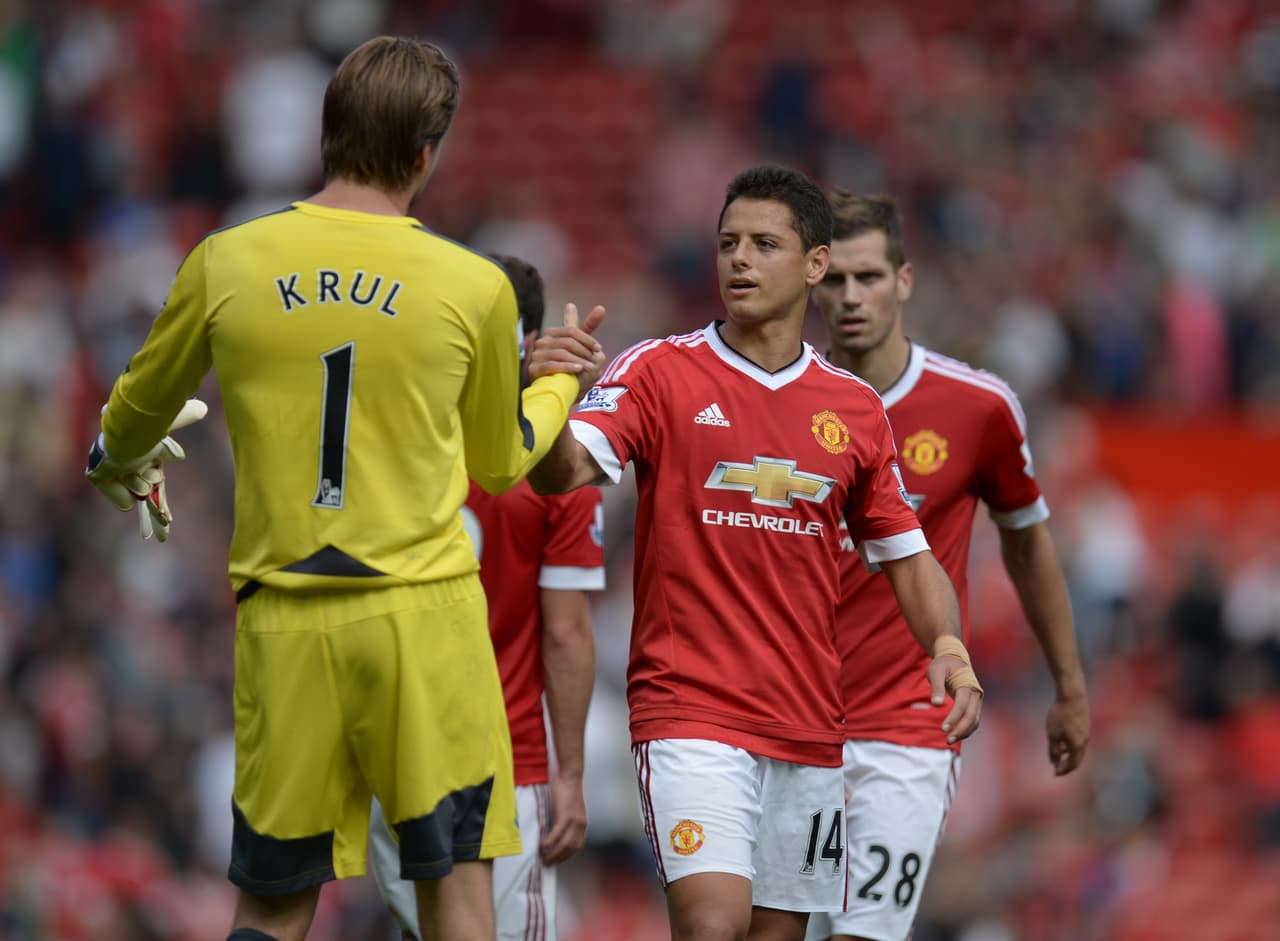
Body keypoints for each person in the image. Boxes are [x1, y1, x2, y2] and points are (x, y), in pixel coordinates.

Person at [83, 36, 606, 941]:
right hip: (422, 622)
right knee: (458, 895)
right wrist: (558, 378)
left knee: (275, 904)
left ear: (325, 136)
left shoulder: (226, 260)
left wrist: (119, 466)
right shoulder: (472, 283)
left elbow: (126, 426)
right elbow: (500, 462)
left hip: (286, 624)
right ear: (424, 154)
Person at [527, 165, 984, 941]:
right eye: (728, 242)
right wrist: (544, 393)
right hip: (690, 710)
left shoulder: (854, 410)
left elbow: (909, 558)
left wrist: (947, 643)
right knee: (713, 925)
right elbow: (563, 470)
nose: (738, 259)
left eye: (764, 244)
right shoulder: (658, 370)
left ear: (814, 265)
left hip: (808, 724)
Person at [804, 191, 1090, 941]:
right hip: (789, 714)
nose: (850, 297)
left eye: (869, 277)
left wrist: (1068, 683)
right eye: (835, 280)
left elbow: (1027, 542)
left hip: (908, 724)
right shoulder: (780, 401)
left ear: (904, 279)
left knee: (863, 934)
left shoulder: (977, 406)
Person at [367, 255, 605, 941]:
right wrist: (573, 776)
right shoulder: (552, 463)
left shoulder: (393, 443)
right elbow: (565, 634)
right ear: (527, 341)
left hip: (399, 755)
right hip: (507, 762)